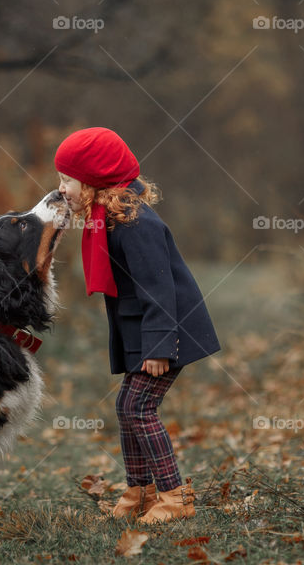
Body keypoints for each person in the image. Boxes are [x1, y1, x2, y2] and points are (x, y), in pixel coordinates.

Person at [54, 127, 221, 524]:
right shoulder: (108, 217)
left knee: (138, 407)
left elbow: (160, 289)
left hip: (167, 333)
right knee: (127, 407)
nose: (61, 188)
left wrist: (160, 347)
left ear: (94, 181)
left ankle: (174, 495)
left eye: (66, 180)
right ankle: (141, 490)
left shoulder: (135, 224)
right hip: (142, 333)